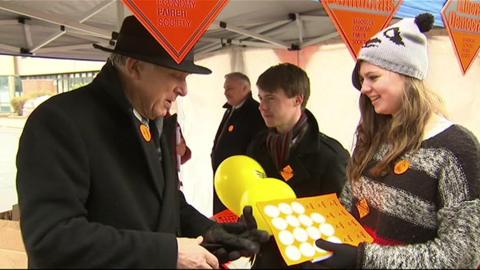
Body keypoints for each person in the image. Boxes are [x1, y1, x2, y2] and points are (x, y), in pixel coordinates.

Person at [16, 15, 268, 268]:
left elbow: (167, 202)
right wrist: (169, 252)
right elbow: (52, 240)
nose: (183, 89)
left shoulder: (155, 120)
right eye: (175, 75)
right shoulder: (60, 121)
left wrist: (211, 232)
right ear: (135, 67)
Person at [314, 13, 480, 268]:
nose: (364, 88)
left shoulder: (456, 148)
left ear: (406, 74)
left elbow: (461, 254)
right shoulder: (370, 136)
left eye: (373, 77)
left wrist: (364, 259)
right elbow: (349, 208)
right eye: (362, 80)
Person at [246, 63, 350, 268]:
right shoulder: (257, 146)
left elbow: (341, 220)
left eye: (271, 98)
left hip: (309, 260)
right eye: (260, 98)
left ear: (298, 99)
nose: (262, 107)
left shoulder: (330, 156)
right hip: (265, 257)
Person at [211, 72, 267, 214]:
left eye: (229, 88)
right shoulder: (231, 109)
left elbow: (256, 147)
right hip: (224, 179)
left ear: (244, 88)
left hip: (240, 181)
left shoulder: (255, 112)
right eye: (224, 89)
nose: (225, 93)